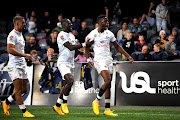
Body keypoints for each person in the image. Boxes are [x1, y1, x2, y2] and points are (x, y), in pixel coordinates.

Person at [85, 14, 133, 116]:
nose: (107, 23)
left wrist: (128, 56)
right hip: (99, 60)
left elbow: (117, 46)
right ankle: (96, 101)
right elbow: (86, 48)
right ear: (99, 23)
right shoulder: (92, 35)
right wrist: (88, 59)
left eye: (107, 21)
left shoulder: (109, 33)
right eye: (105, 21)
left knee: (108, 85)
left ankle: (107, 109)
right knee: (107, 80)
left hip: (108, 60)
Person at [53, 18, 90, 115]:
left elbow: (75, 50)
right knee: (70, 80)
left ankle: (57, 106)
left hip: (70, 63)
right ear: (63, 25)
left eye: (70, 24)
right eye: (69, 24)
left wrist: (86, 54)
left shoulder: (71, 35)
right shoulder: (61, 35)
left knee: (67, 85)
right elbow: (70, 47)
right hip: (63, 62)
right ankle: (64, 103)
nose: (71, 26)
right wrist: (84, 44)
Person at [1, 16, 34, 117]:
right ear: (17, 24)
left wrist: (25, 57)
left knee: (24, 90)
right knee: (19, 90)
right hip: (14, 66)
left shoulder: (20, 35)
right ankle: (24, 112)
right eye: (23, 23)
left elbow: (19, 50)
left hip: (22, 64)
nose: (25, 24)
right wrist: (25, 55)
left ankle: (6, 102)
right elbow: (10, 50)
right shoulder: (12, 35)